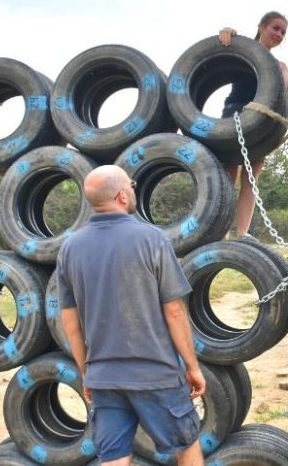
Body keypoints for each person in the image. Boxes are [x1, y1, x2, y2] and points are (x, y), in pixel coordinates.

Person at [58, 165, 206, 466]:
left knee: (114, 458)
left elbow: (70, 322)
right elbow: (174, 310)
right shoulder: (151, 239)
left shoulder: (70, 247)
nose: (135, 189)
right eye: (133, 185)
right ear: (122, 195)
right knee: (186, 446)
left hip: (104, 378)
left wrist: (87, 372)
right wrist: (192, 366)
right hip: (155, 373)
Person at [218, 11, 288, 239]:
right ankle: (221, 231)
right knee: (228, 175)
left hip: (262, 122)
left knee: (250, 179)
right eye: (275, 28)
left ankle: (242, 232)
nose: (279, 34)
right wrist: (227, 32)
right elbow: (221, 48)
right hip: (235, 113)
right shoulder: (243, 48)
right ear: (261, 26)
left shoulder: (279, 65)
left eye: (283, 32)